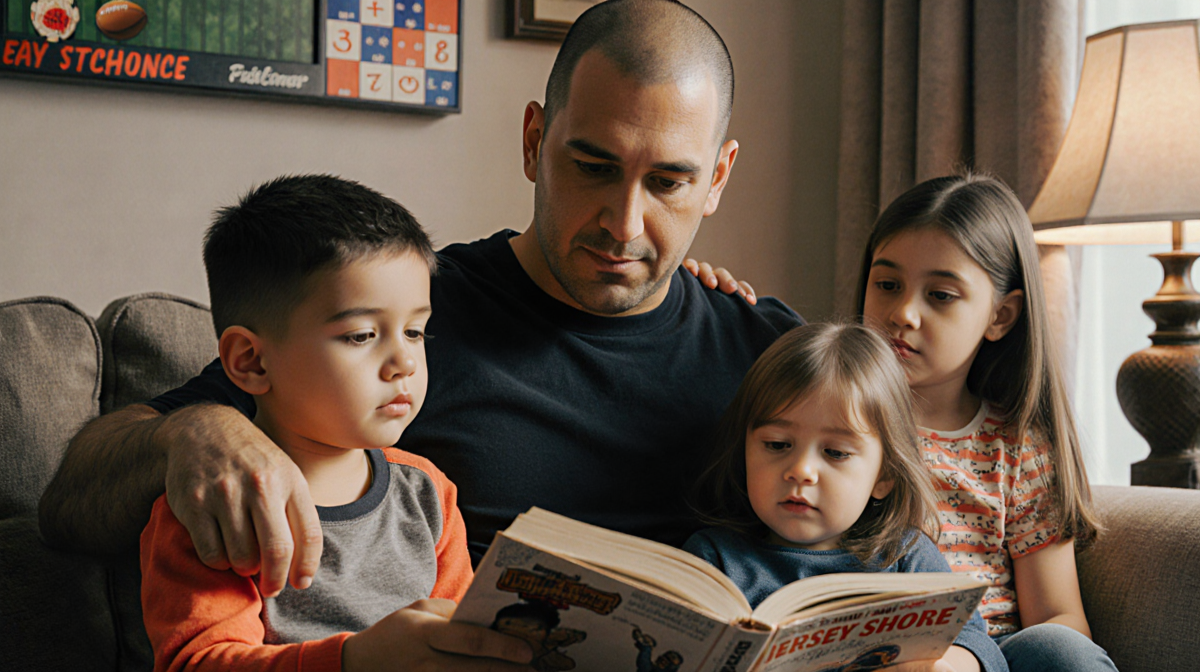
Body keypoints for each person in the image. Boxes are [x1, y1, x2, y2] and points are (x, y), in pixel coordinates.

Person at [38, 0, 802, 631]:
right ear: (535, 141)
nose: (625, 223)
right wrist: (188, 432)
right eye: (593, 166)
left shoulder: (774, 351)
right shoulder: (404, 322)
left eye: (668, 181)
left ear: (718, 178)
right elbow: (70, 507)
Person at [139, 175, 532, 671]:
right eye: (362, 334)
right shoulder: (216, 504)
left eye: (415, 331)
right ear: (251, 362)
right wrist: (355, 660)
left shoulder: (428, 492)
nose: (404, 362)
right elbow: (200, 663)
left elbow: (459, 636)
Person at [856, 174, 1117, 672]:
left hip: (992, 657)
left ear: (1001, 315)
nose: (903, 313)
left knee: (1060, 650)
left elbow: (1059, 615)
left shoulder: (1017, 447)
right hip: (878, 652)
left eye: (941, 295)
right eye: (887, 285)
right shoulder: (829, 422)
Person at [684, 322, 1006, 672]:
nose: (801, 470)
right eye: (777, 444)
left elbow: (978, 645)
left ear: (883, 476)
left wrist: (943, 667)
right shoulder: (713, 559)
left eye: (836, 453)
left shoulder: (904, 556)